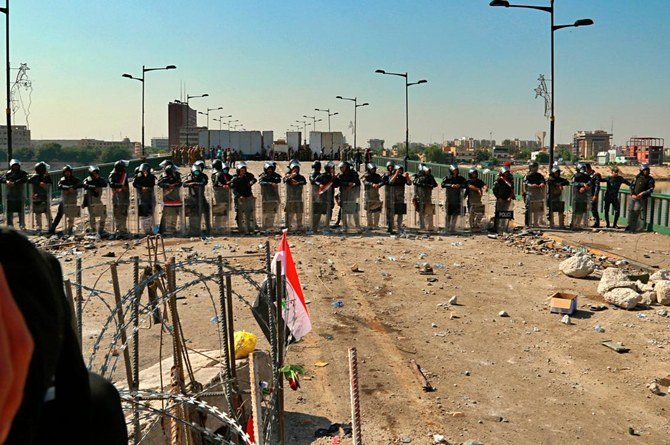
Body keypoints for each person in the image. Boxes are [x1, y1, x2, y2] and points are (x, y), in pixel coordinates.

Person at [49, 165, 82, 235]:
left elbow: (80, 183)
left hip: (73, 200)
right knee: (59, 214)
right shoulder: (62, 180)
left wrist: (73, 187)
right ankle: (53, 228)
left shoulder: (75, 179)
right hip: (64, 200)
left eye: (68, 172)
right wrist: (68, 188)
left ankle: (70, 229)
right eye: (66, 172)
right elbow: (59, 186)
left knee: (71, 216)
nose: (67, 173)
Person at [183, 161, 210, 236]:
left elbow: (204, 182)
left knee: (206, 210)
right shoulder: (190, 176)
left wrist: (195, 183)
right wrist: (190, 184)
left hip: (201, 197)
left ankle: (207, 229)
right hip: (192, 198)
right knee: (193, 214)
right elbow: (184, 184)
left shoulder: (203, 176)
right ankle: (193, 230)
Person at [626, 164, 655, 232]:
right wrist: (632, 194)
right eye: (645, 170)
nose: (647, 171)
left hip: (641, 198)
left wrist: (642, 193)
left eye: (648, 170)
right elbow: (631, 186)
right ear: (642, 171)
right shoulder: (637, 177)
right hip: (633, 197)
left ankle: (635, 227)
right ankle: (629, 225)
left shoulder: (650, 179)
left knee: (636, 212)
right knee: (630, 211)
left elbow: (651, 189)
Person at [229, 161, 257, 234]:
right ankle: (241, 228)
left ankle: (249, 227)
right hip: (239, 198)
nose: (243, 172)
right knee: (239, 213)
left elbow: (254, 179)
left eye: (244, 170)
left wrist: (252, 182)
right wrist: (239, 196)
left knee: (249, 212)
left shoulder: (247, 176)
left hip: (248, 197)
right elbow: (233, 189)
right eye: (241, 170)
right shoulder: (235, 178)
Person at [1, 159, 28, 230]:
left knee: (21, 211)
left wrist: (15, 183)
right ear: (11, 166)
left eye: (16, 165)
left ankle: (22, 225)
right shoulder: (8, 173)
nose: (15, 167)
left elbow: (25, 179)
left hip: (19, 195)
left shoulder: (22, 173)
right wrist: (6, 181)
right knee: (9, 212)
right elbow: (1, 178)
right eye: (14, 166)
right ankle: (10, 226)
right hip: (9, 195)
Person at [384, 164, 411, 233]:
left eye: (401, 170)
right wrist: (396, 174)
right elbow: (391, 181)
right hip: (392, 197)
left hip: (400, 197)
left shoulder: (402, 178)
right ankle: (390, 227)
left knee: (400, 212)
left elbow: (409, 183)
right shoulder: (392, 176)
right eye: (399, 170)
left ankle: (399, 226)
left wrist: (407, 177)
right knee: (391, 212)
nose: (400, 171)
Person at [82, 166, 108, 236]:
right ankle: (93, 229)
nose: (95, 174)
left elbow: (105, 183)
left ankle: (101, 229)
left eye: (96, 172)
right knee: (92, 215)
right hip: (91, 200)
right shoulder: (88, 180)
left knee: (104, 214)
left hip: (98, 200)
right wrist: (93, 187)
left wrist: (98, 179)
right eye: (93, 172)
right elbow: (84, 185)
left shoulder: (100, 179)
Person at [27, 161, 53, 233]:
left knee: (47, 211)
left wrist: (47, 176)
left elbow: (50, 183)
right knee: (38, 213)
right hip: (37, 197)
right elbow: (29, 180)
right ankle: (39, 227)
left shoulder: (45, 176)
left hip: (45, 196)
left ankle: (50, 226)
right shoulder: (35, 177)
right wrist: (39, 183)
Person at [157, 164, 183, 235]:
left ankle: (172, 228)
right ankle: (167, 229)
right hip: (167, 200)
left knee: (174, 215)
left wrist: (174, 184)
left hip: (175, 199)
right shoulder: (164, 178)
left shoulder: (176, 177)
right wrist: (168, 185)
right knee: (167, 215)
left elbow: (180, 183)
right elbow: (159, 183)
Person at [441, 164, 467, 233]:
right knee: (448, 214)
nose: (455, 171)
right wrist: (451, 185)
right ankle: (447, 227)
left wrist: (460, 185)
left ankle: (452, 228)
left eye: (456, 170)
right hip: (449, 198)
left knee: (455, 214)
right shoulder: (447, 178)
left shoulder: (460, 178)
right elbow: (442, 184)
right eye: (453, 170)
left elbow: (465, 184)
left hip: (457, 198)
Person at [336, 160, 361, 231]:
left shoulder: (353, 174)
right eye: (340, 168)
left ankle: (357, 226)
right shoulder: (340, 175)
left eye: (342, 167)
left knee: (353, 209)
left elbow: (357, 182)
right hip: (343, 194)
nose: (341, 169)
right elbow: (339, 183)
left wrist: (351, 185)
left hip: (352, 194)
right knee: (343, 210)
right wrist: (347, 184)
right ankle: (344, 226)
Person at [108, 160, 130, 237]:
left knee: (124, 212)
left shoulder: (124, 174)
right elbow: (111, 184)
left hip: (125, 196)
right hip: (117, 197)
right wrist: (120, 186)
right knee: (117, 213)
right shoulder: (113, 174)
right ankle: (118, 228)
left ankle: (123, 228)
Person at [313, 161, 337, 232]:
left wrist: (334, 177)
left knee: (329, 211)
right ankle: (315, 227)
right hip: (323, 197)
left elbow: (336, 184)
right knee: (320, 212)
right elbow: (314, 181)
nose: (333, 169)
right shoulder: (323, 176)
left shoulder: (332, 177)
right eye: (332, 168)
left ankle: (327, 227)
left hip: (330, 197)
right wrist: (320, 185)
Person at [133, 163, 156, 235]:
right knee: (144, 214)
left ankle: (151, 229)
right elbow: (135, 184)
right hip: (142, 198)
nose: (144, 172)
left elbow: (152, 184)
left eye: (145, 171)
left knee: (150, 213)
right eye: (143, 171)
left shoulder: (151, 177)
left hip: (150, 197)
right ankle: (146, 230)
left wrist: (147, 188)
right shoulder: (138, 177)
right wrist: (141, 187)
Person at [284, 160, 308, 231]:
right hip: (290, 198)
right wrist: (291, 177)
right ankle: (288, 226)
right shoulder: (288, 176)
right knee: (290, 213)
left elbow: (304, 182)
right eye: (294, 168)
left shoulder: (301, 177)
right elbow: (285, 180)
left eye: (297, 168)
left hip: (298, 198)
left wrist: (297, 183)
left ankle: (299, 226)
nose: (296, 170)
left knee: (299, 213)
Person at [412, 164, 438, 231]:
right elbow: (415, 183)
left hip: (427, 196)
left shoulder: (430, 177)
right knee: (421, 212)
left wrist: (428, 184)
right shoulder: (417, 176)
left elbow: (435, 184)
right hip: (419, 196)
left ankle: (429, 226)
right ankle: (422, 226)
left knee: (428, 212)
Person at [258, 161, 281, 230]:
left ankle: (271, 225)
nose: (270, 170)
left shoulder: (275, 175)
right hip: (266, 196)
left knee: (273, 212)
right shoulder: (263, 175)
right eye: (268, 169)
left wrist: (272, 181)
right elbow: (261, 182)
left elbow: (278, 180)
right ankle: (265, 225)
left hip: (274, 196)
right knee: (266, 212)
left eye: (271, 169)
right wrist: (270, 183)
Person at [211, 159, 232, 234]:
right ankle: (220, 227)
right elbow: (217, 183)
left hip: (218, 194)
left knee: (220, 211)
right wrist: (223, 185)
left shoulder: (214, 173)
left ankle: (219, 226)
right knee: (221, 210)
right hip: (222, 194)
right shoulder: (218, 174)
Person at [522, 161, 546, 227]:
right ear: (530, 168)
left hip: (537, 195)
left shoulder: (539, 175)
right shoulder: (527, 176)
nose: (535, 169)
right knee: (528, 209)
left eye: (536, 167)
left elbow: (543, 181)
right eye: (533, 167)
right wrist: (532, 185)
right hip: (529, 194)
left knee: (537, 210)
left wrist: (542, 184)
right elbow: (525, 183)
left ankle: (536, 223)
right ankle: (528, 224)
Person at [493, 166, 515, 233]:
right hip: (500, 199)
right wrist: (499, 198)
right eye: (505, 172)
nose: (506, 174)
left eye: (507, 172)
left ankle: (505, 227)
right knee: (499, 213)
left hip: (507, 199)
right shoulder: (499, 180)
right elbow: (495, 190)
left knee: (506, 214)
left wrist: (510, 197)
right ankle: (497, 228)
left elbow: (512, 190)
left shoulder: (510, 180)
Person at [570, 162, 592, 230]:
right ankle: (573, 224)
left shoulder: (587, 176)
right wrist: (582, 184)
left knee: (581, 210)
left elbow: (590, 182)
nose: (583, 169)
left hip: (584, 195)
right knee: (576, 210)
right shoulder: (576, 175)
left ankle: (578, 225)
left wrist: (585, 186)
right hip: (576, 194)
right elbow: (573, 183)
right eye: (582, 168)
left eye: (584, 168)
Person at [362, 163, 383, 229]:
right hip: (368, 194)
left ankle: (376, 225)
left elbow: (381, 181)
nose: (373, 170)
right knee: (369, 210)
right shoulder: (366, 175)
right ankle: (369, 225)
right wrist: (372, 184)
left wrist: (378, 185)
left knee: (377, 210)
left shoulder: (377, 176)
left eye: (374, 169)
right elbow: (365, 182)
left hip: (375, 194)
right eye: (372, 169)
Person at [586, 163, 602, 228]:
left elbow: (597, 186)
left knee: (593, 208)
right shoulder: (589, 175)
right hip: (588, 193)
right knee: (591, 208)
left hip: (593, 194)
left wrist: (595, 195)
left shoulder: (595, 175)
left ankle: (597, 223)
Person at [309, 160, 323, 230]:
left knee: (318, 211)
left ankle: (316, 225)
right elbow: (312, 180)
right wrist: (318, 183)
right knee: (315, 211)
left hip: (319, 195)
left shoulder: (320, 175)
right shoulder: (313, 175)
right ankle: (314, 226)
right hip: (315, 195)